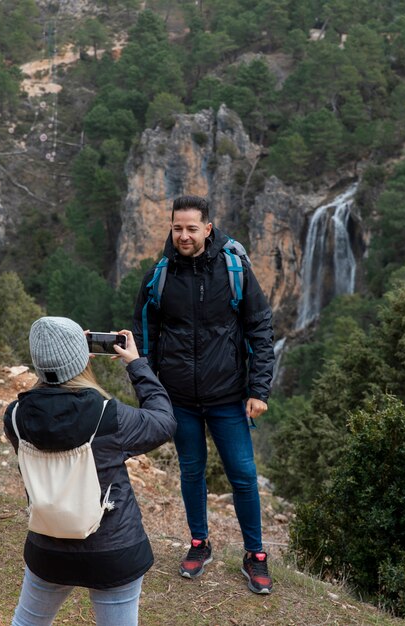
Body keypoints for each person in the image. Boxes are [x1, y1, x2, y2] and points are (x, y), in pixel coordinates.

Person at [133, 195, 275, 594]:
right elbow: (144, 338)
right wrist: (149, 392)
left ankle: (256, 555)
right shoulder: (157, 277)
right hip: (178, 398)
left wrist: (259, 389)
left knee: (244, 477)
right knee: (191, 472)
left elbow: (260, 328)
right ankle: (199, 543)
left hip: (229, 397)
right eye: (177, 228)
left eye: (192, 228)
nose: (184, 235)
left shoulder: (235, 270)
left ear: (208, 229)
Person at [3, 316, 176, 626]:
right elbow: (163, 421)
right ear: (81, 357)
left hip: (49, 547)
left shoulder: (15, 418)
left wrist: (65, 361)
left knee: (27, 622)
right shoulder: (109, 416)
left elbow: (48, 404)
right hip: (113, 550)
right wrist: (136, 364)